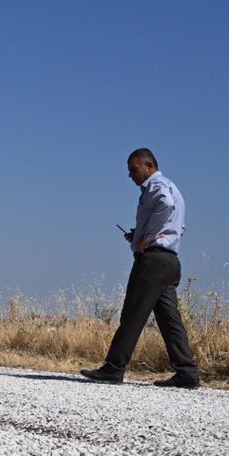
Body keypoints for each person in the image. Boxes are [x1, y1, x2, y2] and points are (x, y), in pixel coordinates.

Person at [81, 148, 201, 387]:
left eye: (133, 169)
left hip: (153, 261)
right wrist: (141, 235)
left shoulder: (156, 187)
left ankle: (114, 368)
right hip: (170, 261)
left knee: (133, 313)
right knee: (169, 319)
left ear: (150, 166)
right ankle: (187, 372)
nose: (130, 175)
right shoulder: (172, 187)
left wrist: (145, 238)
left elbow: (164, 206)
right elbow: (177, 224)